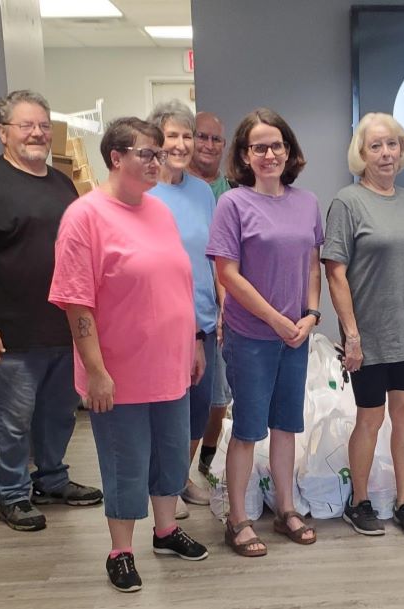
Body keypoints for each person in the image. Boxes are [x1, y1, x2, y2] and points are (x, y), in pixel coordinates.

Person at [49, 117, 209, 593]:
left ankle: (165, 532)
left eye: (160, 153)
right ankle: (120, 551)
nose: (158, 161)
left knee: (170, 456)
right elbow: (77, 301)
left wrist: (194, 340)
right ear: (116, 157)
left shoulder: (157, 210)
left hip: (171, 365)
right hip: (118, 372)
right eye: (148, 153)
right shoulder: (85, 216)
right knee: (126, 462)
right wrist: (95, 371)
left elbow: (178, 281)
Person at [0, 89, 102, 533]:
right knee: (14, 420)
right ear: (3, 132)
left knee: (58, 415)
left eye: (41, 125)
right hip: (12, 332)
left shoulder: (61, 183)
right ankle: (11, 494)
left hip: (64, 327)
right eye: (25, 125)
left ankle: (51, 480)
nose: (36, 133)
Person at [322, 113, 404, 539]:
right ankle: (358, 501)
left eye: (392, 144)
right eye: (376, 146)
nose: (385, 153)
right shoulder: (347, 201)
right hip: (368, 333)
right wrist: (351, 334)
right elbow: (335, 272)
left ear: (403, 150)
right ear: (361, 153)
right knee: (370, 418)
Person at [207, 108, 321, 557]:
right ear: (245, 155)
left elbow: (313, 264)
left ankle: (286, 510)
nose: (270, 154)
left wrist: (311, 314)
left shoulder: (306, 202)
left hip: (296, 333)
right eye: (259, 147)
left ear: (289, 151)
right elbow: (228, 275)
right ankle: (238, 520)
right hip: (252, 335)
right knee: (249, 429)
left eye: (277, 145)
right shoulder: (232, 204)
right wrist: (275, 319)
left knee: (286, 425)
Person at [147, 101, 218, 518]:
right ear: (157, 140)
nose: (181, 143)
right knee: (166, 413)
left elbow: (213, 255)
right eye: (172, 135)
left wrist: (222, 309)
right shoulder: (146, 191)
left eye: (187, 135)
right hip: (162, 326)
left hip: (204, 322)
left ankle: (180, 477)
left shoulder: (202, 191)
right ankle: (165, 489)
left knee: (197, 411)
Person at [187, 110, 232, 497]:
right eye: (201, 137)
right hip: (186, 312)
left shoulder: (230, 190)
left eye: (216, 139)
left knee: (219, 396)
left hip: (224, 306)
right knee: (189, 396)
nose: (208, 145)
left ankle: (206, 464)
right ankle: (176, 478)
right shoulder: (173, 191)